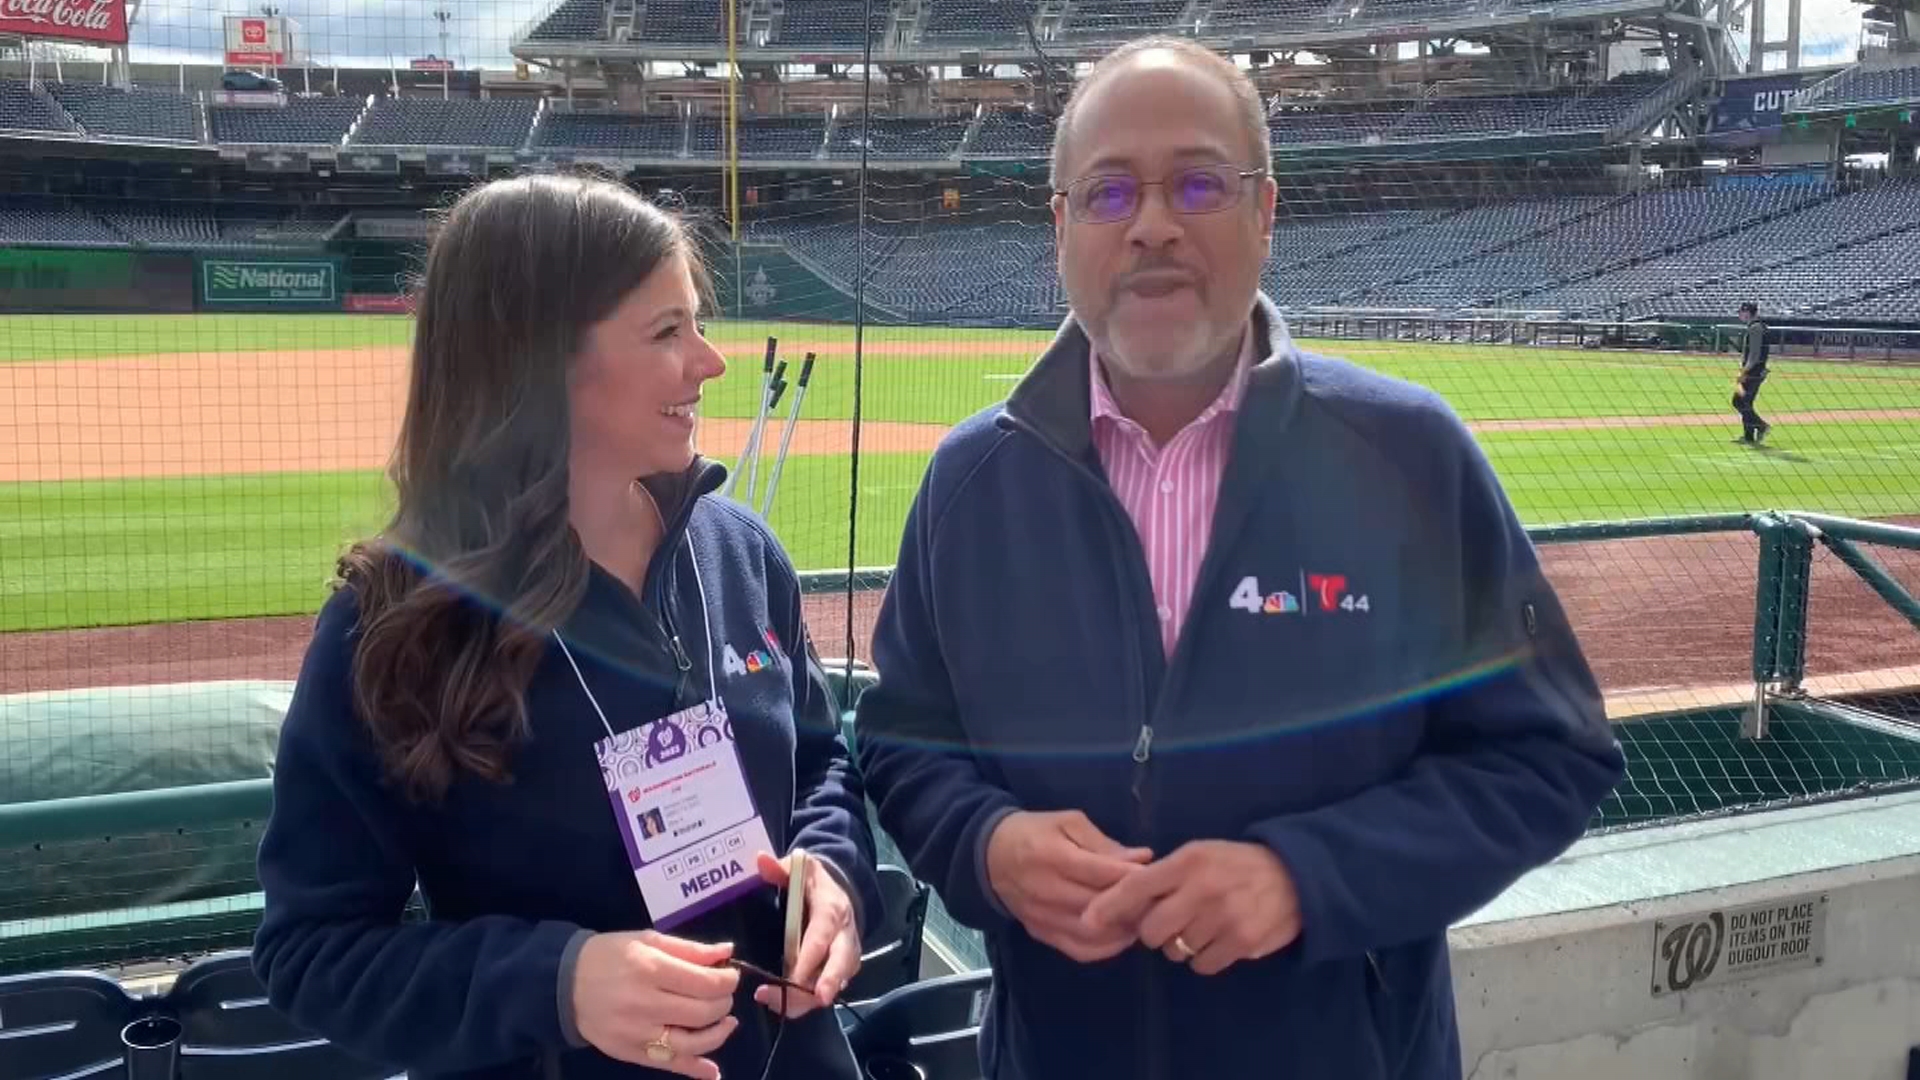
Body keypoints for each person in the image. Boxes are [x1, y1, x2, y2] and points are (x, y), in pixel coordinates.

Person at [853, 37, 1626, 1080]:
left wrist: (1304, 879)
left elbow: (1550, 759)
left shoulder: (1408, 455)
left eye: (1200, 183)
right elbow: (904, 745)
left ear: (1266, 212)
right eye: (1110, 192)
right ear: (1062, 228)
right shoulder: (968, 486)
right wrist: (986, 845)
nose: (1154, 225)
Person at [254, 175, 880, 1080]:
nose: (711, 361)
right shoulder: (392, 620)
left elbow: (822, 760)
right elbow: (312, 949)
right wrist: (559, 981)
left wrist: (833, 871)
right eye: (667, 332)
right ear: (539, 362)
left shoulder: (742, 552)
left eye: (697, 322)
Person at [1734, 301, 1772, 444]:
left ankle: (1761, 426)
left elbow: (1754, 355)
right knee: (1746, 402)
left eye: (1742, 311)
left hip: (1753, 371)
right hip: (1757, 370)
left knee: (1738, 401)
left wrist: (1743, 371)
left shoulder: (1755, 328)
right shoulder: (1759, 326)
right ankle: (1749, 437)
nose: (1740, 314)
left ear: (1748, 312)